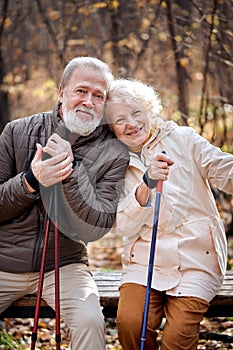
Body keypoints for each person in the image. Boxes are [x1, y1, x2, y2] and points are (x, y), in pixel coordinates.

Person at [0, 57, 129, 350]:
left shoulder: (113, 152)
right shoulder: (16, 132)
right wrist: (31, 180)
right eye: (81, 91)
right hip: (4, 261)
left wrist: (71, 175)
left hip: (65, 265)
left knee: (90, 322)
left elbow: (96, 228)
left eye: (98, 96)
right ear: (61, 92)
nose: (88, 101)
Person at [104, 78, 233, 350]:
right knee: (130, 323)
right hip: (143, 262)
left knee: (177, 340)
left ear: (149, 110)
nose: (131, 123)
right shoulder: (113, 163)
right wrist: (145, 186)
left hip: (196, 259)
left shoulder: (184, 139)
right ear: (110, 128)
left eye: (137, 112)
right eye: (120, 119)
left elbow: (223, 169)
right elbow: (122, 226)